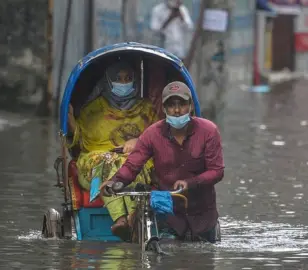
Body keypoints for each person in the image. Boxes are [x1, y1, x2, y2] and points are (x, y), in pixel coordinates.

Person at [101, 81, 225, 243]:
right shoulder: (152, 134)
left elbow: (217, 171)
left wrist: (191, 183)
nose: (177, 110)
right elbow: (133, 165)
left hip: (203, 216)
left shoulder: (208, 131)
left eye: (182, 104)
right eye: (171, 105)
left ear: (191, 106)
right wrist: (115, 182)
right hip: (169, 215)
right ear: (164, 109)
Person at [66, 60, 158, 241]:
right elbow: (79, 141)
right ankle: (122, 219)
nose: (123, 83)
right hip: (95, 162)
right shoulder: (92, 110)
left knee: (130, 163)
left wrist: (139, 141)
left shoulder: (147, 110)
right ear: (108, 81)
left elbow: (159, 138)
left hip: (136, 160)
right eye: (118, 79)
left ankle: (131, 218)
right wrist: (69, 120)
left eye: (128, 79)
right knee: (110, 161)